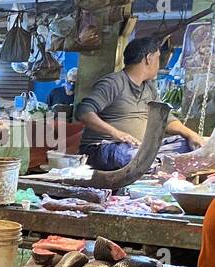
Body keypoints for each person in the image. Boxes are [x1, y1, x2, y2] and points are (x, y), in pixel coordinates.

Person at [76, 37, 205, 170]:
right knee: (130, 155)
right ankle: (154, 162)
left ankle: (153, 162)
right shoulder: (113, 83)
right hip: (105, 149)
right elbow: (84, 112)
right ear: (149, 58)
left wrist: (192, 135)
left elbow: (166, 120)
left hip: (141, 149)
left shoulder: (149, 88)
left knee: (189, 146)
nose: (159, 64)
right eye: (158, 58)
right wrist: (116, 133)